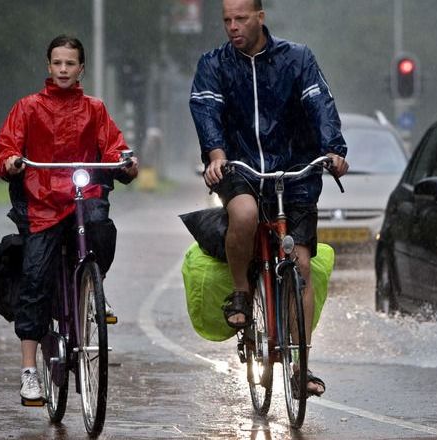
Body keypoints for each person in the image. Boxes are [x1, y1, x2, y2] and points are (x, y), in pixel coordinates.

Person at [189, 0, 348, 397]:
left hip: (295, 172)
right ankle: (241, 290)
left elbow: (319, 101)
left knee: (301, 264)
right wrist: (216, 156)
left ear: (261, 17)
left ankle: (302, 365)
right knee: (242, 213)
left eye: (240, 18)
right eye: (226, 19)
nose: (232, 26)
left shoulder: (297, 58)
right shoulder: (214, 64)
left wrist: (333, 149)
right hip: (240, 169)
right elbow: (206, 108)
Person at [0, 35, 139, 405]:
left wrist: (125, 161)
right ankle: (28, 372)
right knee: (35, 278)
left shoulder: (94, 109)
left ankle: (93, 287)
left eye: (70, 64)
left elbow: (113, 146)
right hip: (41, 203)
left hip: (82, 196)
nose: (63, 70)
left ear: (81, 69)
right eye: (57, 63)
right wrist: (11, 161)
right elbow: (7, 148)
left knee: (102, 228)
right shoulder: (27, 108)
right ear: (48, 66)